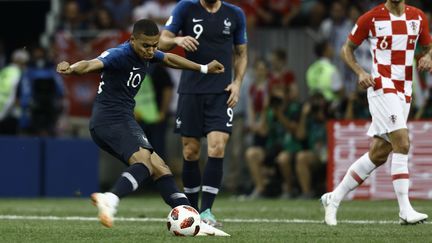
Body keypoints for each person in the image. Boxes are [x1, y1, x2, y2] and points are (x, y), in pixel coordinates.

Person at [56, 19, 228, 236]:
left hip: (121, 120)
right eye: (146, 46)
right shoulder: (119, 54)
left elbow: (169, 59)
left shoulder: (148, 52)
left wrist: (203, 68)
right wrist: (71, 68)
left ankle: (192, 219)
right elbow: (91, 64)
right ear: (132, 40)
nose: (151, 50)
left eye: (155, 45)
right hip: (110, 120)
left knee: (160, 168)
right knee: (144, 163)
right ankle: (110, 199)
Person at [320, 0, 432, 226]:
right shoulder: (370, 18)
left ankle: (334, 198)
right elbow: (346, 49)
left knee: (379, 153)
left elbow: (428, 46)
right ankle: (405, 210)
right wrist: (360, 72)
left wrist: (428, 56)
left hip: (405, 89)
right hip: (382, 86)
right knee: (402, 142)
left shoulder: (418, 17)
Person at [158, 0, 248, 227]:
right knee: (190, 151)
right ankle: (192, 210)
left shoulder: (235, 14)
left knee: (217, 146)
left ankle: (207, 210)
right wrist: (177, 39)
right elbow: (161, 41)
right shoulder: (185, 8)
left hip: (221, 92)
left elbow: (241, 53)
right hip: (191, 90)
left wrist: (237, 83)